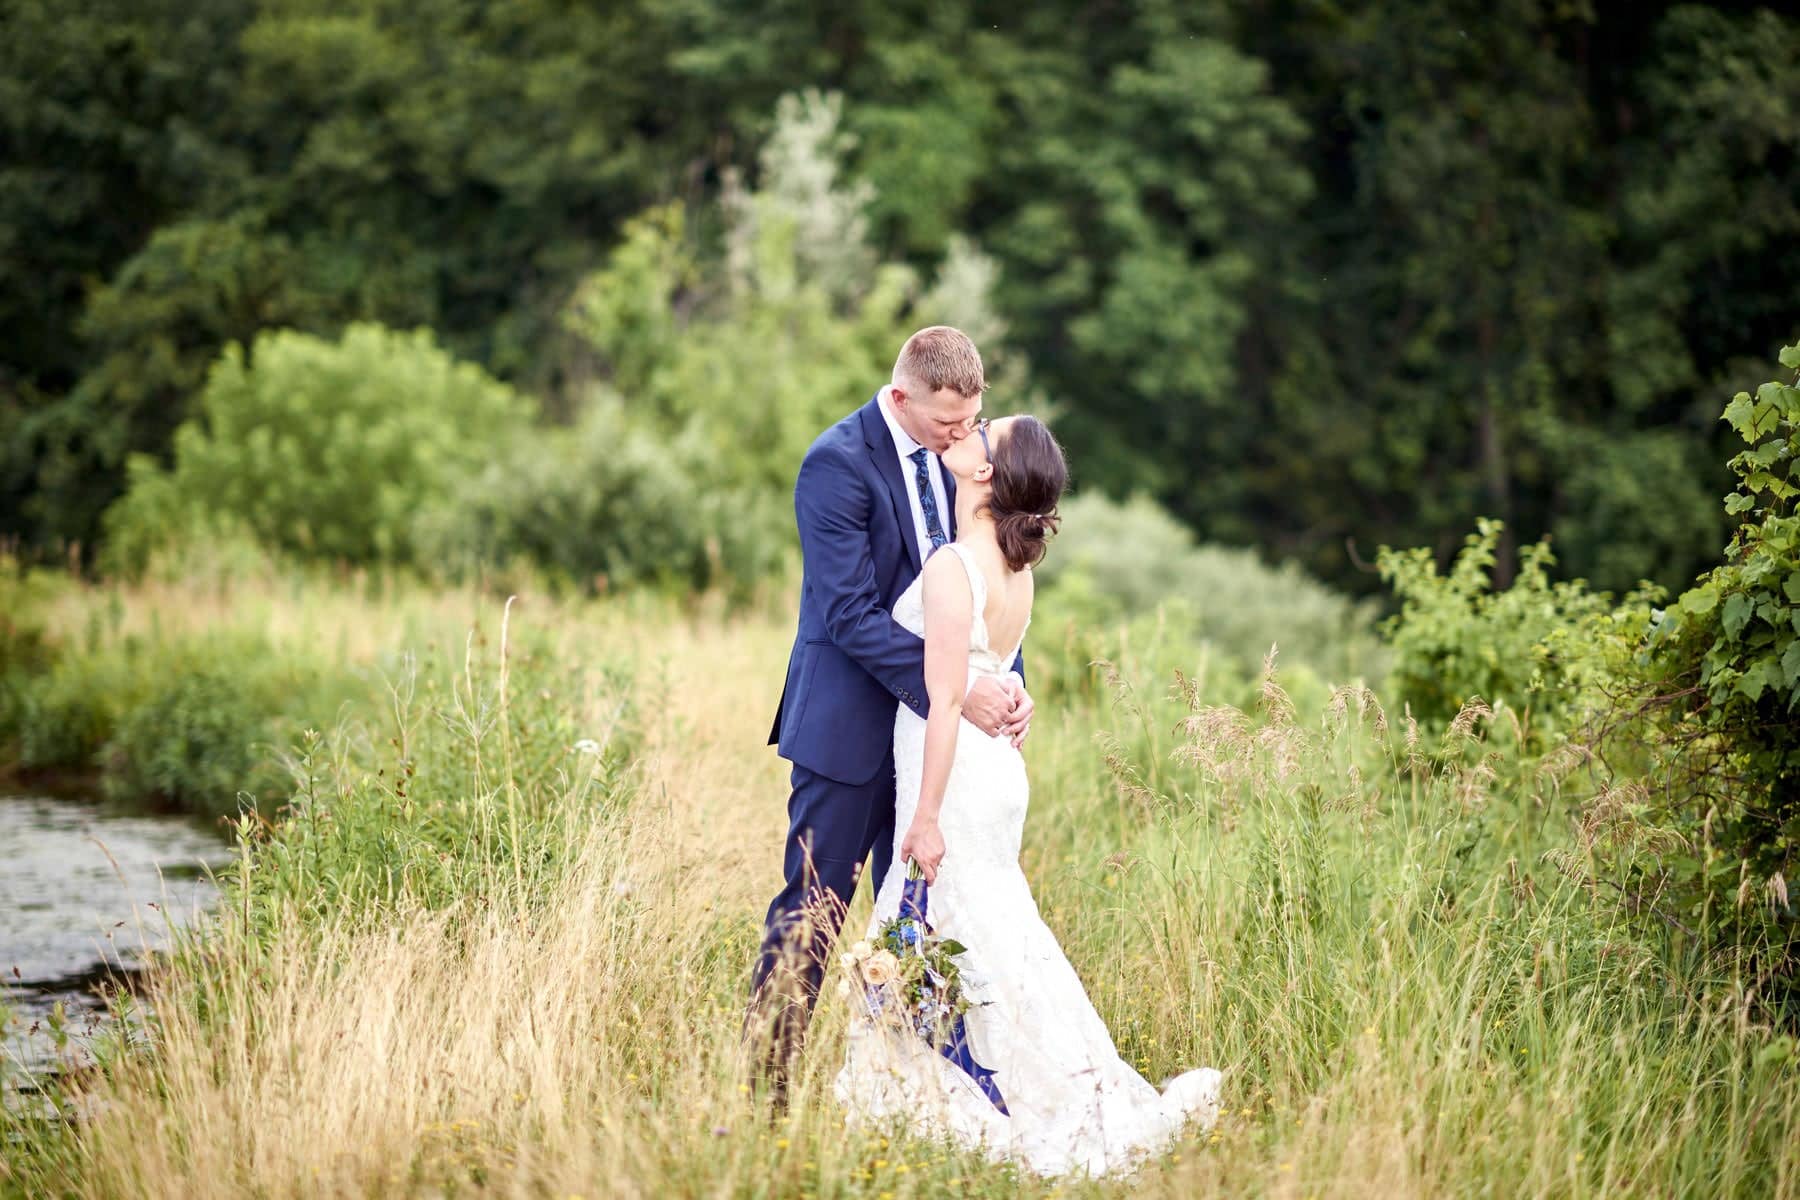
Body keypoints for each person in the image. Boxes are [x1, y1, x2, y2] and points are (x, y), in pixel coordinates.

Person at [832, 412, 1223, 1177]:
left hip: (956, 780)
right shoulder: (1018, 567)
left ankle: (978, 1096)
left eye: (985, 432)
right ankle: (1035, 1078)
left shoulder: (952, 566)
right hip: (996, 772)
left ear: (985, 472)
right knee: (995, 930)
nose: (971, 430)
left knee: (954, 918)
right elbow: (1002, 671)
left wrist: (924, 817)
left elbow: (943, 701)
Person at [747, 327, 1031, 1099]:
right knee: (815, 912)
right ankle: (767, 1096)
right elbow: (847, 612)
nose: (964, 436)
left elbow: (983, 579)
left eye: (973, 419)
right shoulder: (835, 463)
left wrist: (1004, 680)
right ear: (902, 397)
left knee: (922, 923)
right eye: (947, 422)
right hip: (847, 736)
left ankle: (927, 1100)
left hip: (931, 752)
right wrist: (952, 693)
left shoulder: (964, 462)